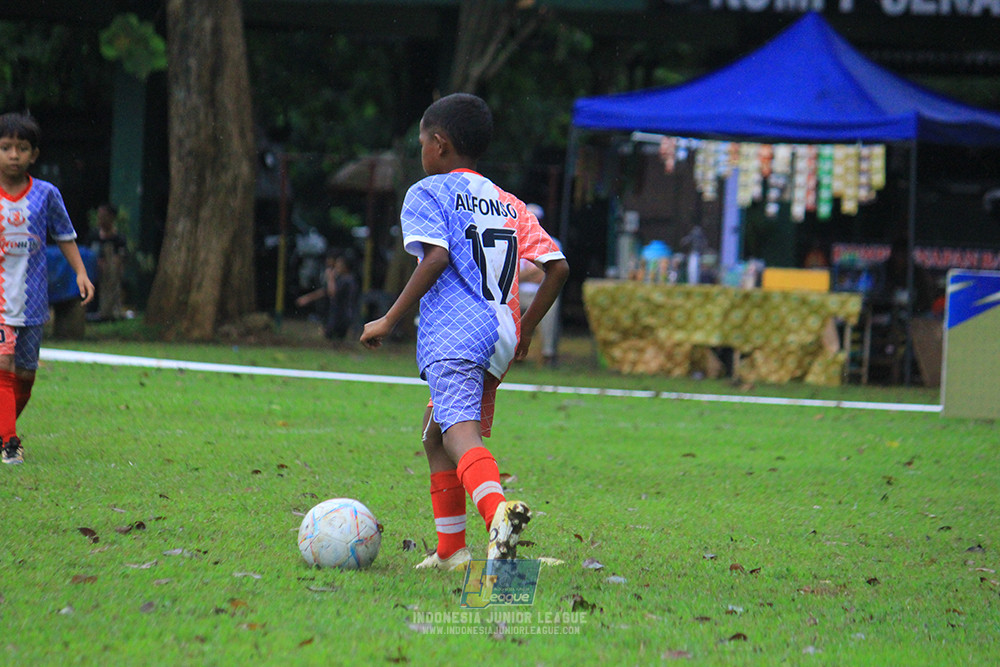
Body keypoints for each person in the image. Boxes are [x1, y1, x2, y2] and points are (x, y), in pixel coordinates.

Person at [360, 93, 568, 570]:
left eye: (421, 142)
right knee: (435, 435)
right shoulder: (507, 201)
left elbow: (435, 257)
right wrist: (526, 329)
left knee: (459, 435)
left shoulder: (428, 192)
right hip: (501, 333)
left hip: (455, 334)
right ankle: (452, 551)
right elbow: (557, 267)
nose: (421, 151)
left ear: (439, 143)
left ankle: (500, 521)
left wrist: (389, 319)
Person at [0, 112, 95, 465]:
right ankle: (10, 442)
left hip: (32, 300)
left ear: (34, 155)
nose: (13, 155)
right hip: (0, 300)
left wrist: (81, 273)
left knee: (25, 376)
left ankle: (4, 428)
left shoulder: (46, 194)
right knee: (3, 363)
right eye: (6, 147)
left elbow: (65, 236)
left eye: (22, 148)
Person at [518, 203, 561, 366]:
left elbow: (552, 275)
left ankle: (547, 354)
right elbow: (512, 277)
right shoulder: (512, 241)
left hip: (540, 292)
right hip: (517, 294)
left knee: (551, 305)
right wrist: (537, 271)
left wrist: (524, 275)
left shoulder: (552, 242)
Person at [295, 251, 358, 340]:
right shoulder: (342, 279)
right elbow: (324, 291)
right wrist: (307, 298)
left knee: (332, 338)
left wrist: (330, 278)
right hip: (337, 314)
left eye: (339, 264)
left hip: (342, 315)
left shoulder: (347, 280)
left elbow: (332, 292)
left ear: (346, 266)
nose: (336, 266)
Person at [92, 203, 127, 321]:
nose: (101, 219)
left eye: (104, 216)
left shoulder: (119, 238)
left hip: (111, 274)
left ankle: (111, 312)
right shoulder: (93, 236)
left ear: (111, 217)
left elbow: (122, 256)